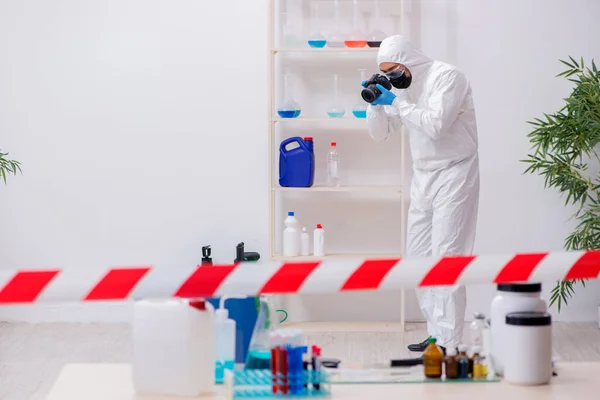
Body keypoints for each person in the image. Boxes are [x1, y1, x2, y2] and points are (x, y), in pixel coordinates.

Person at [364, 35, 480, 353]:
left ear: (410, 59)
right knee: (416, 260)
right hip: (423, 177)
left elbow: (436, 125)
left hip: (455, 174)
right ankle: (435, 334)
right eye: (386, 72)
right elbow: (380, 135)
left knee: (447, 258)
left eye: (395, 69)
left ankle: (449, 343)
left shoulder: (448, 76)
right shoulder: (404, 90)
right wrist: (375, 107)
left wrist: (398, 103)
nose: (394, 77)